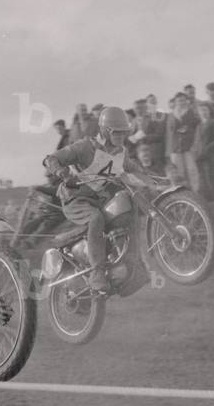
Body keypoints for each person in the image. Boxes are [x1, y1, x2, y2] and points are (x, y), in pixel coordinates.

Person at [44, 106, 143, 293]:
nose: (121, 137)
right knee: (96, 218)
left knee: (129, 208)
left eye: (124, 133)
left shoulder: (120, 153)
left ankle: (133, 263)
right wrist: (62, 172)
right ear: (106, 131)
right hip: (75, 199)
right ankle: (97, 273)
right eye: (117, 133)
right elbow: (51, 159)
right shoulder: (84, 146)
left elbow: (134, 168)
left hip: (98, 199)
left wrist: (152, 179)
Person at [165, 92, 202, 192]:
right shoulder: (171, 115)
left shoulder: (192, 113)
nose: (181, 102)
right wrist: (169, 150)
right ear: (175, 102)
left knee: (192, 170)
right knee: (179, 171)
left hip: (188, 146)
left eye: (183, 100)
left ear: (186, 101)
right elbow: (169, 133)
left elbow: (197, 129)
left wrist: (195, 144)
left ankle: (195, 191)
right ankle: (181, 192)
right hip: (175, 147)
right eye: (179, 101)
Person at [196, 102, 214, 201]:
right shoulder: (199, 126)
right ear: (198, 113)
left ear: (209, 111)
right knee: (205, 176)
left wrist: (208, 148)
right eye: (201, 110)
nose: (203, 113)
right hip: (203, 155)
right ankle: (209, 197)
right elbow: (197, 141)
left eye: (205, 110)